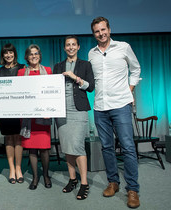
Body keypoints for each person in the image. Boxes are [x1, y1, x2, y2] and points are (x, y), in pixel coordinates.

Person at [88, 17, 141, 208]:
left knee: (127, 147)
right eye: (97, 31)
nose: (101, 34)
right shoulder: (91, 53)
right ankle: (113, 182)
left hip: (121, 105)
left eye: (103, 30)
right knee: (106, 147)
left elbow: (136, 69)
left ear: (109, 29)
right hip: (100, 107)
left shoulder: (123, 47)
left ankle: (133, 189)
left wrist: (130, 89)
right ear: (93, 33)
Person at [53, 35, 95, 200]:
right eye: (67, 45)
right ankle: (72, 179)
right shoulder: (58, 66)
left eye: (73, 45)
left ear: (78, 47)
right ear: (64, 48)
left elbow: (90, 87)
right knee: (67, 146)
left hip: (78, 110)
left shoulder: (86, 65)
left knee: (77, 146)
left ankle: (84, 183)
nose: (70, 47)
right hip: (61, 110)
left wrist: (75, 77)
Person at [17, 44, 52, 190]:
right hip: (28, 117)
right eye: (31, 54)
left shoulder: (48, 71)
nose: (34, 56)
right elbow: (18, 92)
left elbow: (52, 92)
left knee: (44, 148)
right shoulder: (20, 72)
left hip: (43, 116)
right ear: (27, 56)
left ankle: (45, 175)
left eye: (36, 53)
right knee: (31, 148)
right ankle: (36, 178)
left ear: (39, 55)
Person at [0, 43, 24, 184]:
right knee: (8, 138)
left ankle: (18, 168)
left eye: (11, 52)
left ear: (14, 53)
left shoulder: (22, 68)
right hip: (5, 110)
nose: (8, 55)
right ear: (3, 55)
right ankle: (12, 169)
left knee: (18, 138)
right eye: (5, 53)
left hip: (20, 109)